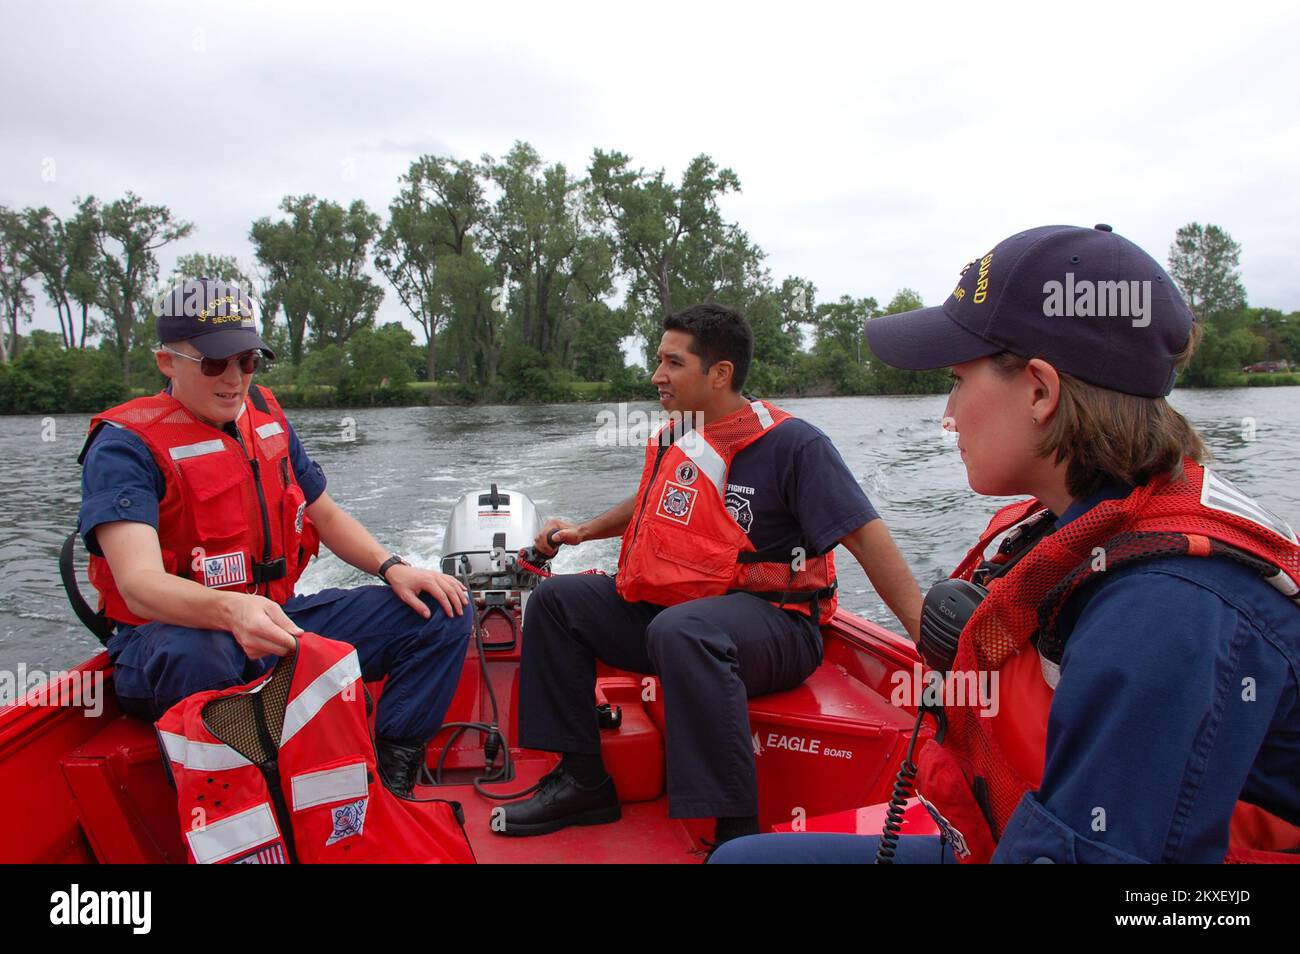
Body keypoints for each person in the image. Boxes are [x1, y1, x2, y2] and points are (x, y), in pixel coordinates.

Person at [711, 224, 1300, 863]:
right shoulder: (1072, 522)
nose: (947, 413)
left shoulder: (1165, 611)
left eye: (959, 381)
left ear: (1041, 391)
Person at [494, 302, 923, 846]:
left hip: (780, 627)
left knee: (683, 630)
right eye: (658, 361)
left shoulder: (795, 445)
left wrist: (923, 639)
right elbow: (650, 503)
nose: (656, 376)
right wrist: (583, 530)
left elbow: (866, 536)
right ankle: (582, 781)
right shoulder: (681, 437)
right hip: (678, 617)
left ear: (719, 374)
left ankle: (735, 835)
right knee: (559, 602)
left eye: (672, 363)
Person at [77, 277, 473, 796]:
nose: (234, 379)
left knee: (441, 609)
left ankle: (390, 776)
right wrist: (230, 612)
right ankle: (240, 806)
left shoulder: (265, 417)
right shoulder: (125, 447)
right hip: (172, 642)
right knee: (203, 653)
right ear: (167, 362)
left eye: (247, 361)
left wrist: (393, 567)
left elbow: (325, 516)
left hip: (273, 619)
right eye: (215, 363)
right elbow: (139, 585)